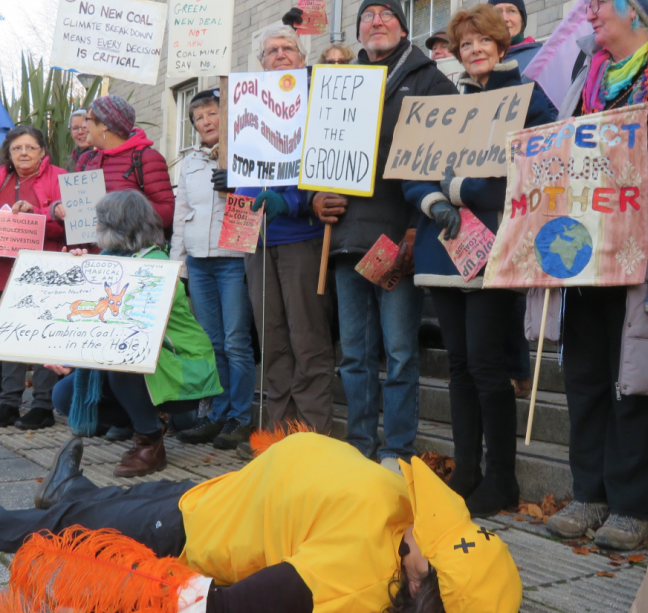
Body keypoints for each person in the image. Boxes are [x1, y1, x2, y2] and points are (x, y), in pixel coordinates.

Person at [531, 0, 648, 550]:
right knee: (586, 376)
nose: (587, 12)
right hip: (584, 250)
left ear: (636, 11)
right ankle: (587, 492)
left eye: (598, 3)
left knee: (635, 379)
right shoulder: (583, 72)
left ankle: (631, 505)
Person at [2, 432, 522, 613]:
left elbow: (221, 607)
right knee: (103, 506)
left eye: (429, 536)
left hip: (193, 533)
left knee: (66, 528)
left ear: (419, 580)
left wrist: (114, 586)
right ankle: (72, 489)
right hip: (220, 497)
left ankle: (41, 510)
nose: (424, 519)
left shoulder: (350, 579)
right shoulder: (403, 520)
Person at [406, 6, 557, 516]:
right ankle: (467, 470)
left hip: (495, 251)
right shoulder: (447, 102)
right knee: (461, 366)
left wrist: (455, 188)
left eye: (482, 42)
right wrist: (433, 201)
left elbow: (529, 174)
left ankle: (502, 479)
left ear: (501, 44)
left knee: (490, 368)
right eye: (464, 44)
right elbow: (411, 166)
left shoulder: (531, 100)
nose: (473, 51)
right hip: (444, 248)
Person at [312, 0, 456, 473]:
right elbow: (315, 153)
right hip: (346, 239)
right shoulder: (338, 85)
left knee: (398, 352)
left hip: (398, 235)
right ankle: (359, 445)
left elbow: (447, 156)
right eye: (367, 15)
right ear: (358, 30)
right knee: (353, 354)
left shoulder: (430, 80)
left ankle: (396, 449)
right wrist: (315, 197)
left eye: (387, 14)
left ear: (402, 25)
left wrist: (419, 227)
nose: (377, 21)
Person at [214, 25, 338, 434]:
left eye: (288, 48)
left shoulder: (315, 101)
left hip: (300, 236)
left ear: (301, 59)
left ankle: (312, 435)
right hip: (253, 237)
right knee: (272, 342)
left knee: (308, 341)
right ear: (261, 62)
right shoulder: (245, 101)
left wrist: (295, 200)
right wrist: (230, 183)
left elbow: (328, 164)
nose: (280, 54)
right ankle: (275, 435)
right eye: (271, 50)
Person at [48, 191, 222, 478]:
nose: (96, 227)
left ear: (120, 226)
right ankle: (147, 419)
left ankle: (150, 442)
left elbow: (127, 329)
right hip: (147, 368)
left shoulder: (158, 269)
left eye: (101, 221)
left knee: (123, 359)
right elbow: (91, 318)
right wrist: (76, 272)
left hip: (183, 367)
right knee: (64, 396)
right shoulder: (109, 260)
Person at [169, 90, 256, 451]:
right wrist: (178, 266)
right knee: (213, 342)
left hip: (232, 258)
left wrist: (236, 179)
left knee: (237, 342)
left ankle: (241, 417)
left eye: (211, 113)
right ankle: (217, 414)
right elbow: (180, 215)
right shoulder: (189, 163)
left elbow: (255, 203)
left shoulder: (247, 152)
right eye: (198, 117)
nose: (205, 121)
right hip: (199, 262)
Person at [0, 126, 68, 431]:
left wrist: (34, 217)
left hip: (46, 268)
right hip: (5, 269)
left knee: (44, 335)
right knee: (9, 334)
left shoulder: (60, 176)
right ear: (9, 153)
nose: (23, 153)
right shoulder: (2, 176)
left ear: (42, 150)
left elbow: (75, 225)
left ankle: (42, 405)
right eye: (17, 148)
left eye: (30, 147)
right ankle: (8, 402)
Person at [67, 96, 175, 234]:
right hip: (90, 253)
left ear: (105, 125)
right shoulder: (85, 160)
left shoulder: (146, 158)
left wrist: (127, 206)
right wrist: (59, 209)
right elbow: (76, 213)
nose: (83, 126)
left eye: (88, 120)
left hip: (130, 252)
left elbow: (167, 213)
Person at [488, 0, 540, 73]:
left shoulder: (541, 57)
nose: (505, 19)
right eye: (497, 12)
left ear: (522, 20)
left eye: (512, 11)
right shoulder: (480, 61)